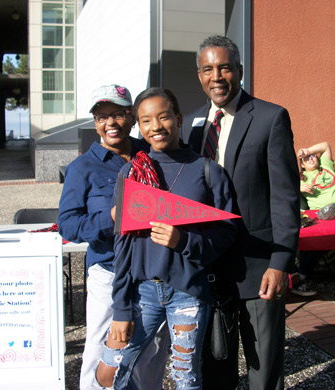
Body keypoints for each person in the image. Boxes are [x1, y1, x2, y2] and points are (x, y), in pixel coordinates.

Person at [181, 35, 301, 390]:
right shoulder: (190, 124)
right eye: (208, 69)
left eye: (224, 68)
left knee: (263, 367)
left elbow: (285, 197)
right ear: (199, 75)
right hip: (207, 266)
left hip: (257, 266)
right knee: (215, 362)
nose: (216, 76)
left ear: (240, 71)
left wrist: (280, 263)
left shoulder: (270, 118)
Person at [97, 87, 237, 390]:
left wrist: (183, 241)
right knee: (109, 374)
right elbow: (122, 246)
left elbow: (227, 232)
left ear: (179, 117)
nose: (156, 127)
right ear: (139, 126)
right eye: (146, 121)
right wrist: (121, 308)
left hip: (188, 292)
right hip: (141, 292)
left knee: (185, 377)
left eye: (164, 117)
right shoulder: (131, 173)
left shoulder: (208, 171)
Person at [58, 84, 169, 390]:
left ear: (131, 117)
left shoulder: (152, 155)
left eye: (118, 114)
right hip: (109, 271)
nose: (110, 123)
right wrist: (112, 218)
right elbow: (68, 225)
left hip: (153, 272)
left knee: (153, 350)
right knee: (103, 348)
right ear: (94, 122)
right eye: (102, 116)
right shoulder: (82, 168)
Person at [294, 141, 335, 296]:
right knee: (314, 241)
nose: (311, 158)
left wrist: (306, 150)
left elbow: (326, 145)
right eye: (306, 158)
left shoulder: (327, 167)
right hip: (322, 215)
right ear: (301, 165)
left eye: (313, 156)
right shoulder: (301, 178)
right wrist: (298, 186)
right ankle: (299, 280)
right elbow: (281, 184)